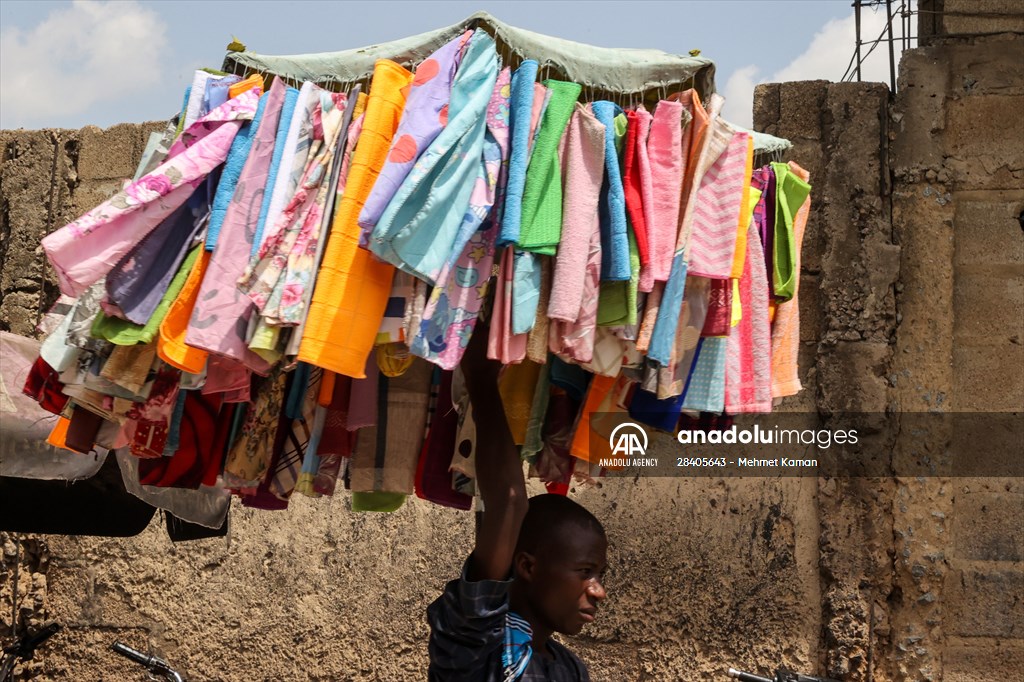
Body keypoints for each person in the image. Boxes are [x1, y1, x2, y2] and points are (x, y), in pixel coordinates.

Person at [427, 327, 608, 681]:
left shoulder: (571, 671)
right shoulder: (474, 645)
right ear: (527, 566)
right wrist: (481, 379)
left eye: (601, 575)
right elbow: (508, 503)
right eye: (586, 572)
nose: (599, 591)